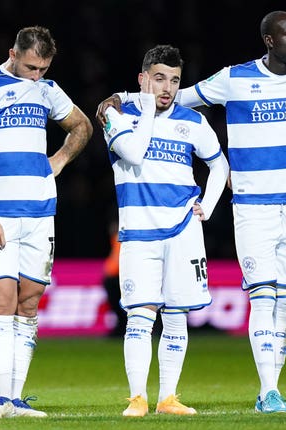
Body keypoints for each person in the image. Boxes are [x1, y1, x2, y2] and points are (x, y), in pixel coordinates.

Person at [97, 11, 286, 413]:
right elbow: (178, 99)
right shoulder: (233, 79)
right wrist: (124, 98)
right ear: (269, 40)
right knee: (258, 299)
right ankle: (256, 393)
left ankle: (263, 391)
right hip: (247, 210)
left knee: (280, 302)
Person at [0, 26, 92, 418]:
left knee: (29, 303)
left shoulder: (47, 90)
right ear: (12, 53)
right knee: (1, 299)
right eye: (31, 67)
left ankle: (16, 400)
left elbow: (82, 126)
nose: (36, 75)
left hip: (40, 214)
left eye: (43, 69)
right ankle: (0, 398)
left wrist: (58, 161)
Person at [103, 45, 229, 417]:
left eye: (174, 81)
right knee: (140, 316)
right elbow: (134, 153)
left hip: (183, 230)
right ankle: (137, 398)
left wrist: (208, 205)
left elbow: (219, 165)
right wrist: (141, 106)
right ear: (143, 79)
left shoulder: (193, 121)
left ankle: (168, 398)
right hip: (139, 231)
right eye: (159, 79)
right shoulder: (115, 114)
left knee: (176, 315)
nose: (167, 88)